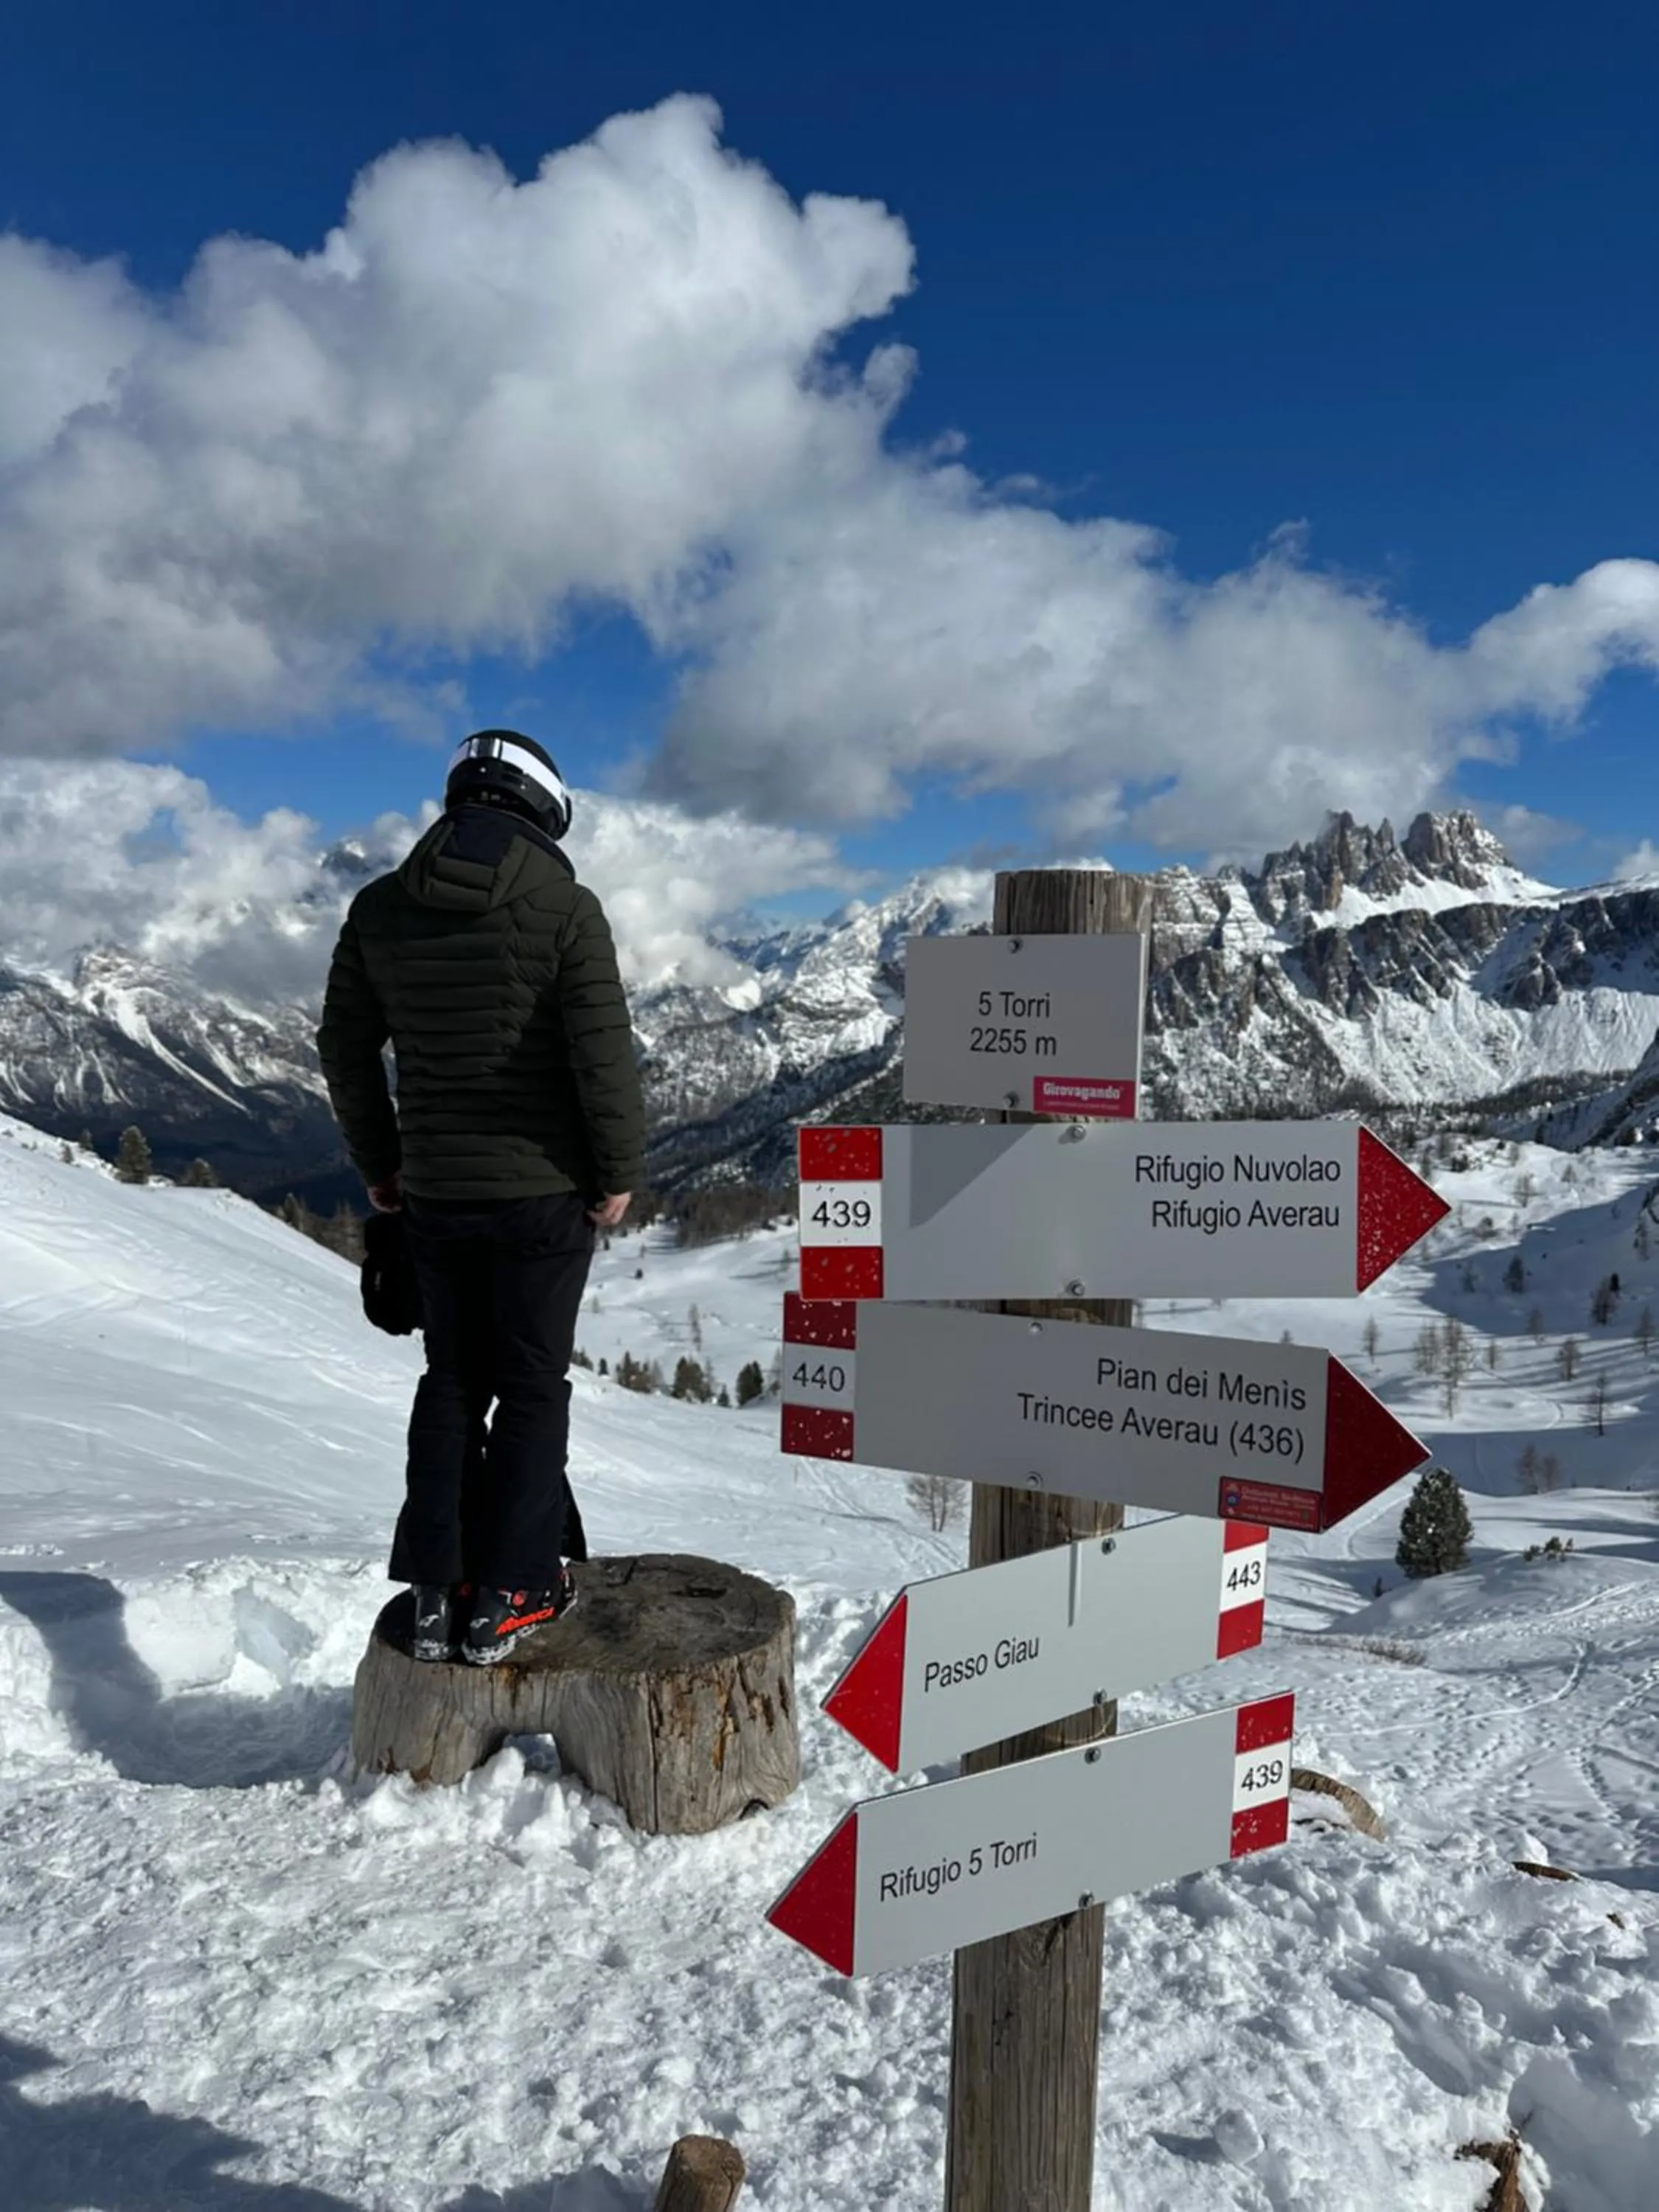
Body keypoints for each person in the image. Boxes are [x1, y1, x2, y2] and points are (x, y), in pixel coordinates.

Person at [316, 730, 645, 1666]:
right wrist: (617, 1168)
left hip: (437, 1198)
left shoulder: (379, 908)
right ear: (544, 812)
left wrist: (383, 1163)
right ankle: (514, 1590)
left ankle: (436, 1591)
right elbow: (602, 1055)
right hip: (545, 1199)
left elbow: (341, 1046)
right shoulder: (566, 908)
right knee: (534, 1389)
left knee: (452, 1382)